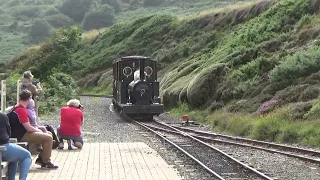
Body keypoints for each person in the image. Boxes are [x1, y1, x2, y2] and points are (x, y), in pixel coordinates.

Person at [9, 90, 58, 169]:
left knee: (49, 134)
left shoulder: (17, 107)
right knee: (48, 138)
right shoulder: (21, 110)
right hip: (21, 135)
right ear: (29, 99)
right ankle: (46, 162)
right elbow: (29, 128)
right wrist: (39, 130)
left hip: (20, 132)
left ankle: (41, 159)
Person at [0, 112, 32, 180]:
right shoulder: (2, 115)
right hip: (3, 148)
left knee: (15, 157)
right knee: (27, 155)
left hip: (3, 149)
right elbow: (9, 132)